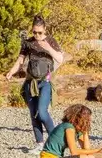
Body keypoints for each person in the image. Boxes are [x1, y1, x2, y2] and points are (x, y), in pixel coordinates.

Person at [6, 18, 65, 148]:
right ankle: (39, 144)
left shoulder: (50, 41)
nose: (37, 35)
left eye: (39, 32)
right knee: (34, 114)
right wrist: (11, 72)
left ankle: (55, 140)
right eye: (34, 32)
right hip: (31, 82)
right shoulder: (28, 43)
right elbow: (20, 60)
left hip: (45, 81)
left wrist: (48, 48)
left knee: (42, 112)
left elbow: (60, 58)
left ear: (44, 30)